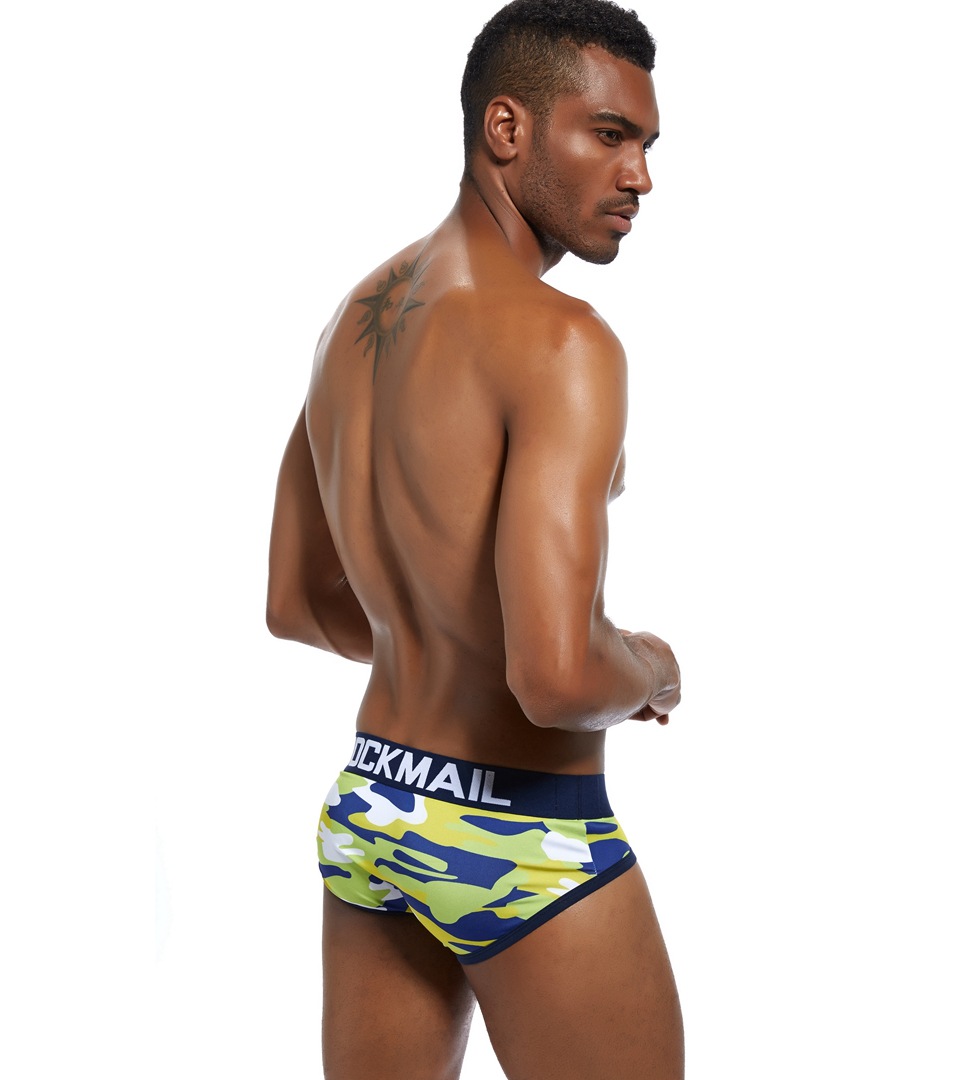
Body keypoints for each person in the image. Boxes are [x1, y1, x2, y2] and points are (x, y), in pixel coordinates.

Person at [267, 1, 683, 1076]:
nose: (640, 176)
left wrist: (439, 645)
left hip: (375, 806)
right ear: (507, 129)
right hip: (518, 827)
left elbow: (297, 602)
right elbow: (555, 677)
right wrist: (649, 666)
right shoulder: (565, 344)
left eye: (647, 145)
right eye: (609, 135)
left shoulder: (351, 321)